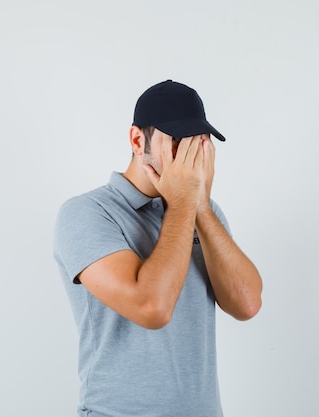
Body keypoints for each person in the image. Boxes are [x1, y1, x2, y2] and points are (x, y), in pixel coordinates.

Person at [53, 80, 263, 417]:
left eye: (200, 143)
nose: (191, 157)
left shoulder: (202, 212)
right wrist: (183, 206)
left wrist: (202, 208)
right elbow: (152, 307)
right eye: (179, 142)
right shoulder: (87, 213)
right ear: (138, 140)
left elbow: (247, 303)